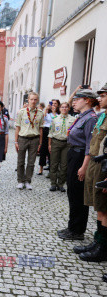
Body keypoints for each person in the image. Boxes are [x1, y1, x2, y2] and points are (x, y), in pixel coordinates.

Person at [57, 89, 98, 241]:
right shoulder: (82, 117)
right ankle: (72, 227)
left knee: (78, 194)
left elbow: (90, 145)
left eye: (77, 99)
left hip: (81, 156)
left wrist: (84, 166)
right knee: (72, 192)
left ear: (87, 100)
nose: (73, 101)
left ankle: (77, 230)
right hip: (73, 153)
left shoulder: (91, 119)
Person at [74, 83, 107, 263]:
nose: (99, 99)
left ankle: (102, 247)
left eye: (103, 96)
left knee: (104, 208)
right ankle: (98, 242)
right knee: (99, 207)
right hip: (97, 162)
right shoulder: (102, 117)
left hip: (104, 165)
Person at [14, 92, 44, 190]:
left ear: (37, 100)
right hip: (22, 138)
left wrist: (40, 142)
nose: (33, 101)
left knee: (31, 162)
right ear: (28, 100)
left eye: (35, 99)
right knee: (20, 161)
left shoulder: (40, 113)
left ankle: (27, 181)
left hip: (34, 139)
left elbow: (40, 129)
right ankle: (20, 181)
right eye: (31, 99)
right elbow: (17, 127)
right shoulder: (21, 112)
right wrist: (16, 141)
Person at [48, 102, 75, 192]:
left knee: (64, 165)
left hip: (67, 143)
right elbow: (51, 133)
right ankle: (53, 183)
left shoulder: (73, 119)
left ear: (68, 109)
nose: (64, 109)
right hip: (56, 142)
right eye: (62, 107)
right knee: (54, 163)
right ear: (59, 109)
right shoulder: (55, 119)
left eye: (66, 107)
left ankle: (61, 184)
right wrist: (49, 144)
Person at [38, 101, 60, 175]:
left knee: (52, 151)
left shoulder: (58, 115)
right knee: (43, 150)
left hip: (54, 132)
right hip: (46, 130)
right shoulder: (47, 114)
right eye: (52, 104)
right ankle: (41, 168)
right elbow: (42, 117)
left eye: (55, 104)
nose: (53, 106)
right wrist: (46, 109)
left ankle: (51, 169)